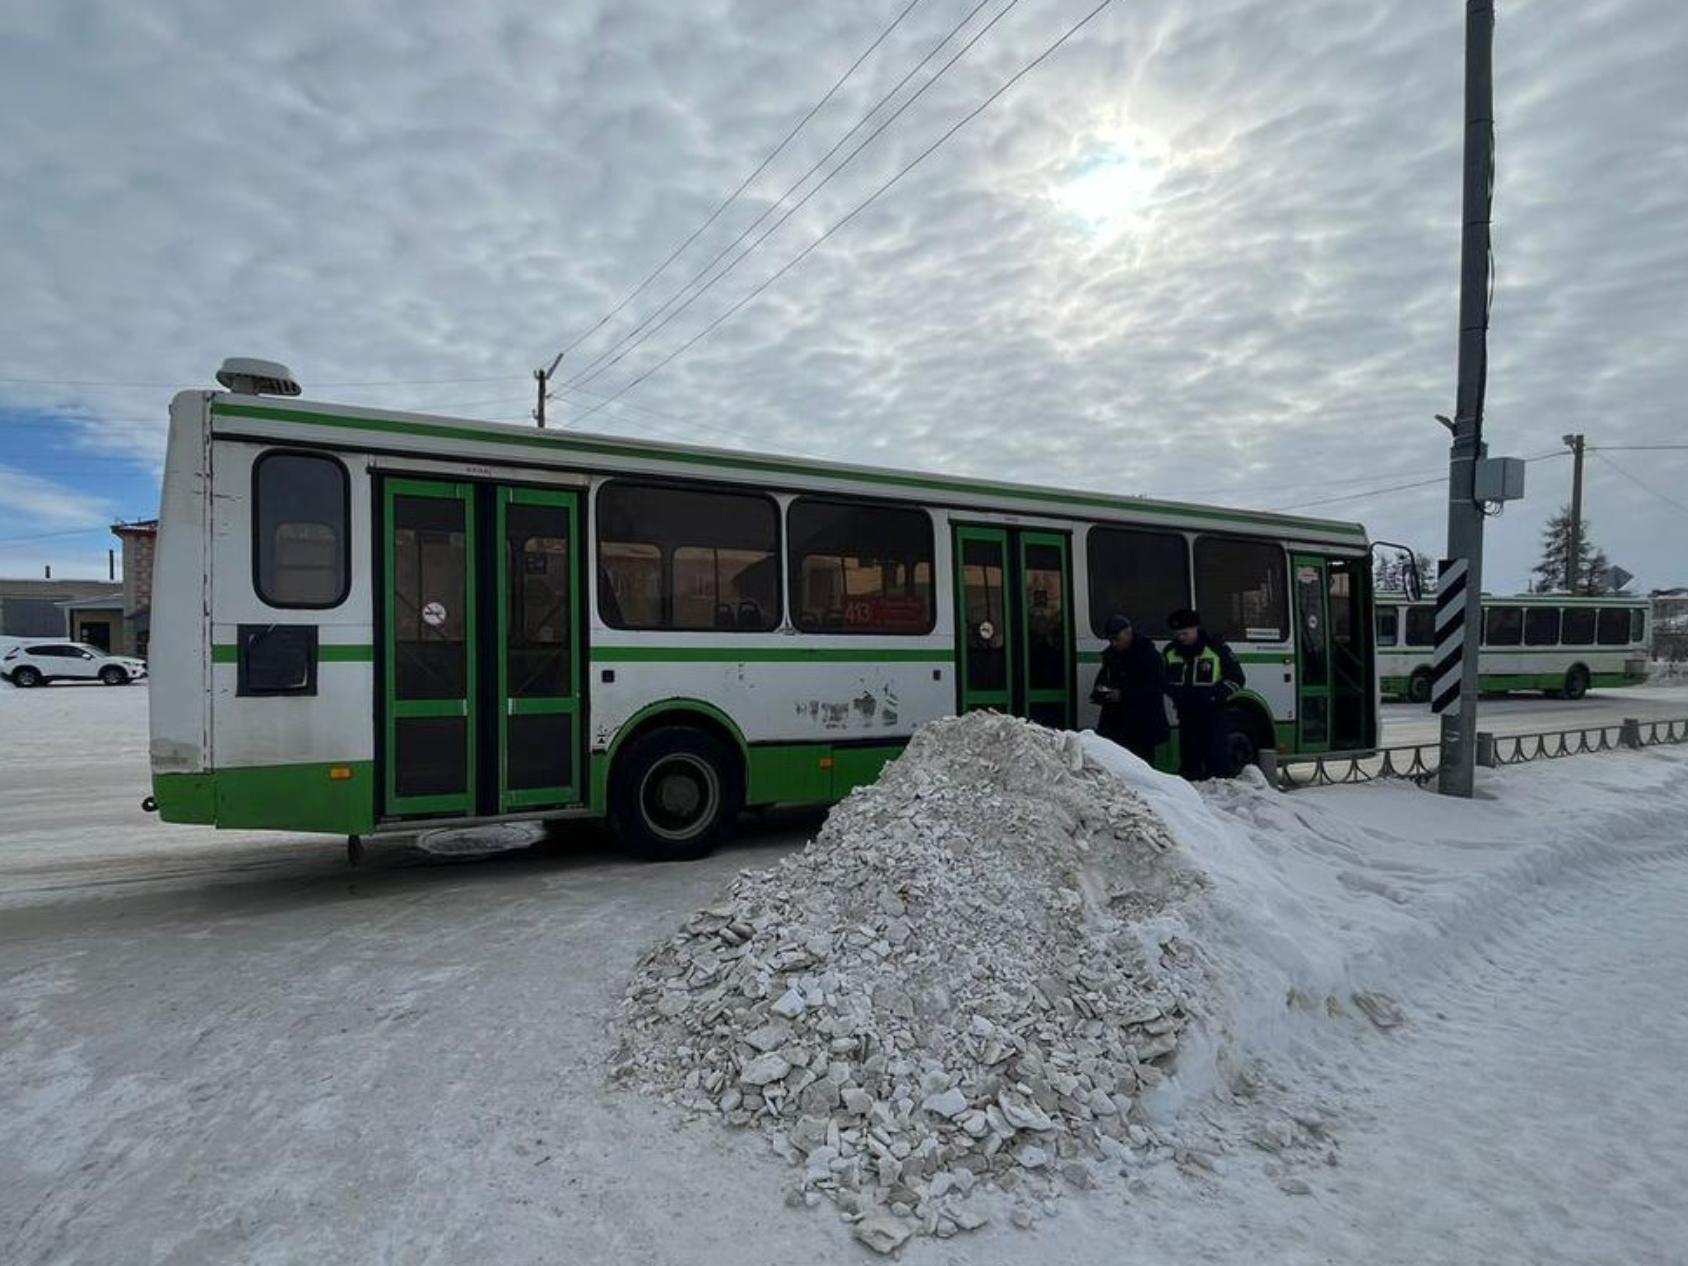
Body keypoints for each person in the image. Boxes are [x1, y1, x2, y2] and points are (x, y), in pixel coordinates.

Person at [1162, 608, 1245, 781]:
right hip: (1186, 715)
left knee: (1218, 766)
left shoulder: (1216, 648)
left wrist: (1215, 695)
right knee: (1189, 765)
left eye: (1185, 633)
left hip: (1213, 715)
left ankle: (1221, 802)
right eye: (1178, 634)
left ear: (1195, 629)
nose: (1181, 638)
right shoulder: (1170, 652)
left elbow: (1237, 679)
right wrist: (1176, 694)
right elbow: (1164, 680)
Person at [1089, 613, 1169, 764]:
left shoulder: (1149, 656)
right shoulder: (1111, 656)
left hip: (1141, 725)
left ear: (1128, 633)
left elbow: (1155, 688)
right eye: (1110, 640)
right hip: (1116, 723)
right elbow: (1103, 679)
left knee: (1141, 763)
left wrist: (1123, 695)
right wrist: (1101, 693)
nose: (1113, 644)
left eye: (1116, 639)